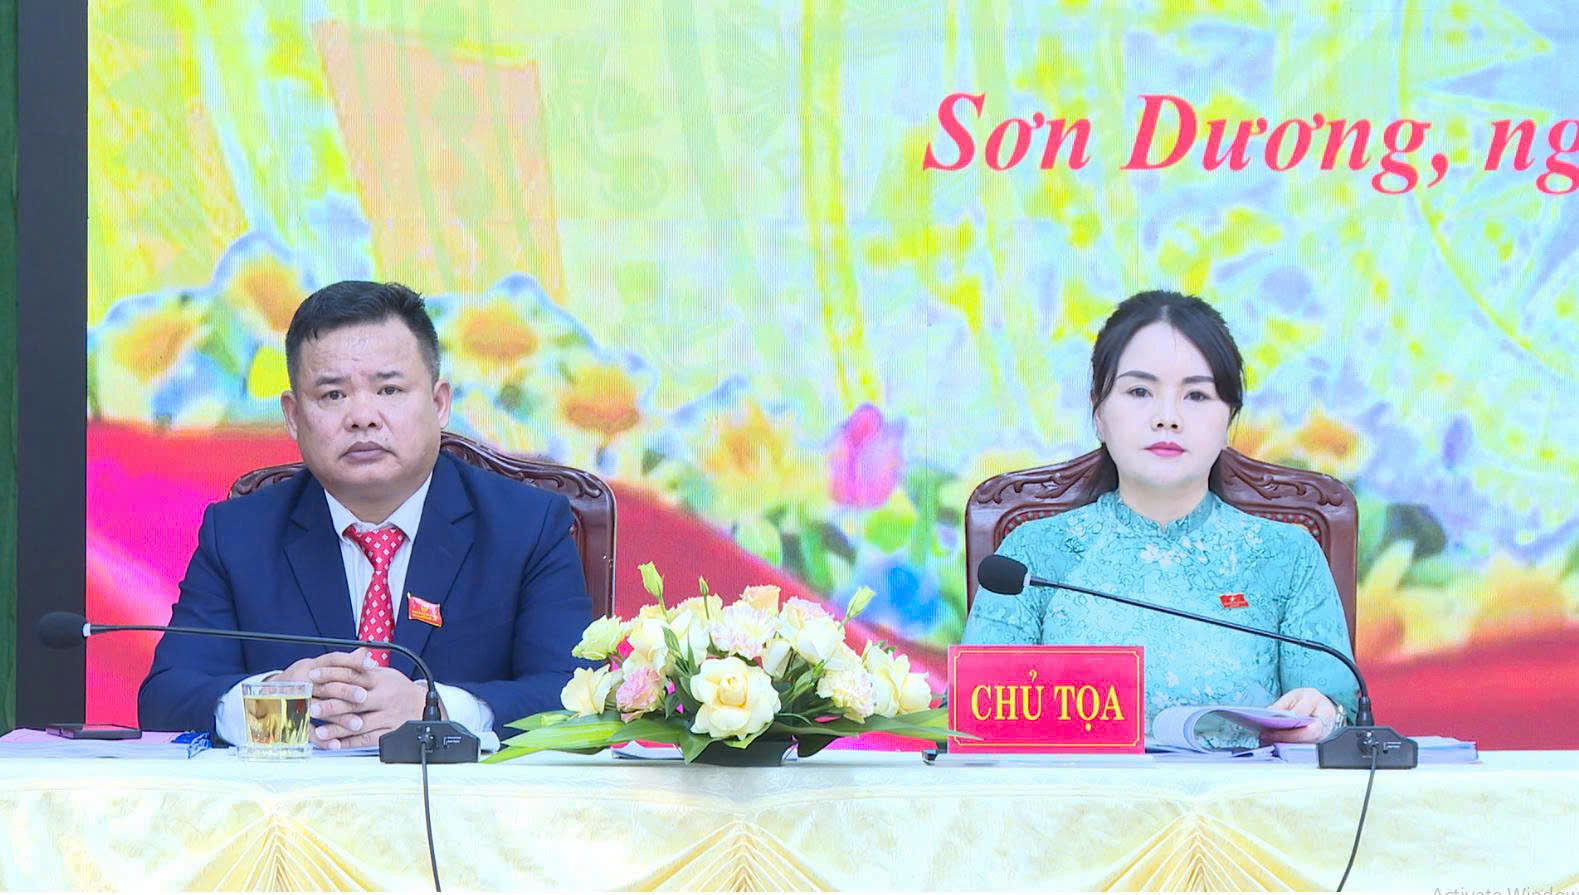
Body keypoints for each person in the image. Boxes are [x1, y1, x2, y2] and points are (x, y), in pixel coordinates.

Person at [138, 281, 594, 749]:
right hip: (295, 794)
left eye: (389, 389)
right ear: (293, 415)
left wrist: (435, 712)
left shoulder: (526, 527)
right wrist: (276, 706)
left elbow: (576, 700)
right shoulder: (239, 536)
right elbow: (165, 701)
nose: (362, 416)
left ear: (439, 403)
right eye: (333, 395)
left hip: (463, 795)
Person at [962, 290, 1356, 748]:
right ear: (1098, 412)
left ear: (1229, 419)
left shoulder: (1288, 558)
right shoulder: (1031, 558)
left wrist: (1323, 717)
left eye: (1196, 395)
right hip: (1074, 792)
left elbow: (1339, 714)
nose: (1167, 418)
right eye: (1139, 392)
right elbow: (970, 724)